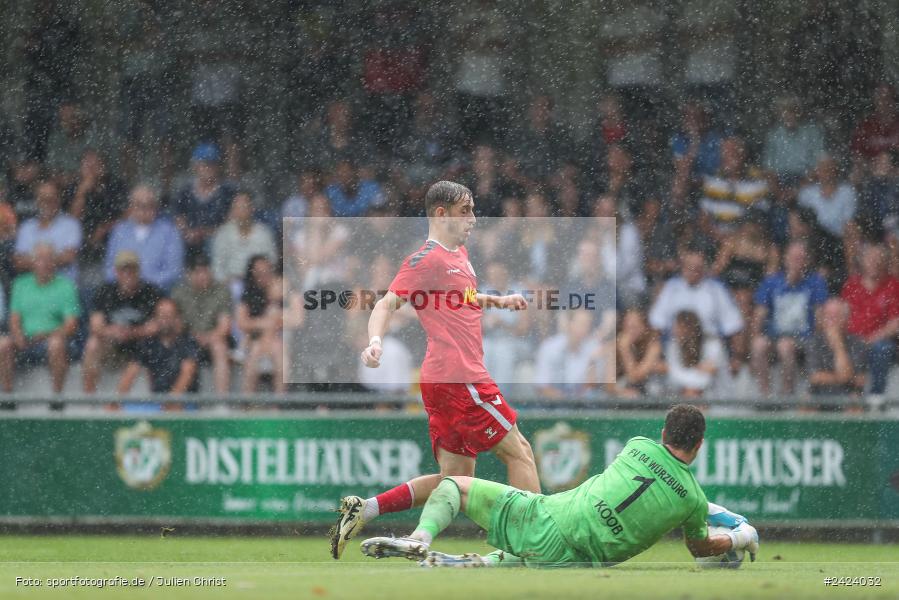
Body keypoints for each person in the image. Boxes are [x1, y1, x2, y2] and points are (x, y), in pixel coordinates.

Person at [330, 181, 537, 560]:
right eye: (465, 211)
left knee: (454, 481)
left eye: (473, 210)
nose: (473, 219)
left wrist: (498, 300)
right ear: (440, 214)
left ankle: (374, 512)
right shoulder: (425, 259)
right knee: (520, 452)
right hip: (460, 376)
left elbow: (462, 297)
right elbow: (385, 304)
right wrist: (374, 341)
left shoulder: (460, 254)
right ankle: (535, 542)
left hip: (444, 380)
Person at [360, 404, 759, 569]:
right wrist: (738, 537)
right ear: (700, 444)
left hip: (551, 519)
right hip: (581, 561)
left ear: (662, 432)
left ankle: (420, 538)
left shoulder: (638, 446)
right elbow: (700, 546)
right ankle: (472, 565)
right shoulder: (691, 499)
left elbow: (657, 480)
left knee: (453, 486)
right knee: (534, 557)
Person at [751, 241, 829, 396]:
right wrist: (754, 337)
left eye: (800, 258)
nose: (796, 262)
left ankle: (786, 394)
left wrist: (817, 340)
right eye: (793, 258)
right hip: (775, 335)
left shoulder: (816, 282)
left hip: (804, 336)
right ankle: (765, 395)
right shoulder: (772, 282)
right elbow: (759, 314)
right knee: (759, 345)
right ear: (785, 258)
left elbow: (820, 316)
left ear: (807, 261)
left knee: (785, 346)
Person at [0, 243, 79, 394]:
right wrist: (18, 336)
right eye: (40, 259)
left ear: (55, 262)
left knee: (55, 345)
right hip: (25, 339)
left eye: (49, 259)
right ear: (33, 262)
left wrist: (47, 335)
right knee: (3, 344)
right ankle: (8, 396)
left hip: (53, 339)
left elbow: (71, 325)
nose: (44, 263)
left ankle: (57, 397)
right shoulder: (20, 284)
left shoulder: (66, 286)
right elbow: (14, 318)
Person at [82, 250, 163, 394]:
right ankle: (89, 397)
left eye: (131, 270)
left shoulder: (151, 292)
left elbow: (158, 326)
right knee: (92, 344)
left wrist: (132, 333)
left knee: (154, 344)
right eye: (123, 270)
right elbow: (95, 326)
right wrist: (113, 332)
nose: (128, 274)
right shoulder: (105, 291)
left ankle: (156, 397)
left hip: (142, 344)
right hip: (113, 344)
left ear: (138, 271)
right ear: (116, 272)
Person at [840, 243, 899, 404]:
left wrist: (871, 339)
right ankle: (848, 397)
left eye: (878, 259)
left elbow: (896, 323)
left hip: (879, 341)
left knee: (882, 348)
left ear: (885, 262)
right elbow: (843, 316)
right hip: (853, 339)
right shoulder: (851, 285)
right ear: (862, 262)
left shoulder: (893, 285)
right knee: (841, 347)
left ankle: (875, 397)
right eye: (870, 259)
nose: (874, 262)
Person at [104, 184, 184, 292]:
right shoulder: (119, 230)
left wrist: (141, 284)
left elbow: (174, 271)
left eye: (150, 205)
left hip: (156, 292)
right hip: (121, 292)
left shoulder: (170, 232)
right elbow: (109, 267)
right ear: (131, 207)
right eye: (139, 205)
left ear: (156, 207)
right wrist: (126, 283)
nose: (144, 209)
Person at [171, 253, 232, 394]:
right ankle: (173, 399)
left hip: (213, 339)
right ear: (189, 274)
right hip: (186, 339)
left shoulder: (221, 291)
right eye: (198, 271)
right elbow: (176, 324)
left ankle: (222, 401)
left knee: (220, 347)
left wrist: (207, 338)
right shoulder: (179, 292)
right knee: (176, 346)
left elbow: (225, 326)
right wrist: (191, 336)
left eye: (206, 270)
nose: (203, 275)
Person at [117, 298, 200, 396]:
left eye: (169, 315)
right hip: (158, 401)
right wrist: (116, 401)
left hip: (186, 401)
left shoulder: (188, 340)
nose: (165, 319)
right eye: (161, 315)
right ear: (154, 318)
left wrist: (173, 400)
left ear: (177, 318)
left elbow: (188, 372)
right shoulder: (148, 343)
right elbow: (131, 372)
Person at [13, 179, 82, 281]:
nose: (47, 201)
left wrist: (35, 261)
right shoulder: (26, 227)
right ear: (36, 200)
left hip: (64, 285)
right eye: (42, 197)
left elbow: (69, 257)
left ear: (59, 199)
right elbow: (18, 262)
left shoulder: (71, 225)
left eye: (51, 197)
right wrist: (52, 260)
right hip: (32, 288)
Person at [236, 255, 285, 394]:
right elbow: (241, 323)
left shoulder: (281, 292)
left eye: (266, 271)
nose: (263, 275)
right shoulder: (249, 294)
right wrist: (263, 323)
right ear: (252, 273)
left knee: (278, 350)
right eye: (259, 272)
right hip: (255, 340)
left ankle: (278, 406)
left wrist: (274, 305)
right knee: (256, 350)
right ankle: (248, 404)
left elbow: (294, 319)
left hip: (279, 340)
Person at [211, 191, 276, 285]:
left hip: (258, 283)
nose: (241, 211)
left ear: (252, 208)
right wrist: (226, 281)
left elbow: (272, 261)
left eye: (244, 206)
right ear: (232, 210)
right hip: (229, 284)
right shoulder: (223, 234)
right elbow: (217, 266)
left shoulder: (264, 233)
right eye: (237, 207)